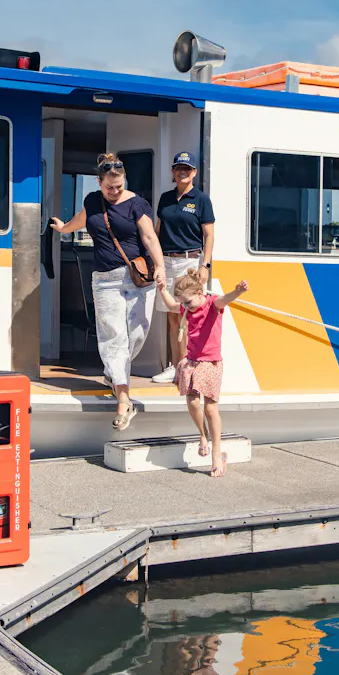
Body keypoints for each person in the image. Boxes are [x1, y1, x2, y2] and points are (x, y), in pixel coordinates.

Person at [49, 152, 167, 430]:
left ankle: (112, 373)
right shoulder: (93, 200)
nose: (114, 192)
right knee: (114, 337)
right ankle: (124, 401)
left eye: (119, 186)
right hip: (104, 280)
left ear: (125, 180)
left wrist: (160, 266)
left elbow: (149, 236)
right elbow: (83, 219)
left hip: (138, 278)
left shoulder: (137, 203)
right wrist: (64, 228)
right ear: (99, 182)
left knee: (137, 334)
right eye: (108, 187)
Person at [157, 271, 248, 477]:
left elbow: (225, 300)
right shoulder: (188, 308)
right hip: (192, 361)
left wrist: (237, 291)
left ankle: (216, 454)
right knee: (192, 402)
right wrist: (162, 289)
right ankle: (203, 435)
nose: (186, 308)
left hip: (211, 362)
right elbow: (172, 306)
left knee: (210, 409)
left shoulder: (212, 304)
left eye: (188, 303)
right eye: (184, 304)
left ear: (200, 293)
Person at [152, 151, 216, 384]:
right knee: (171, 316)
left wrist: (205, 265)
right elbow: (158, 231)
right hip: (166, 261)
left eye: (187, 169)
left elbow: (209, 235)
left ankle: (190, 365)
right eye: (179, 168)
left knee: (187, 316)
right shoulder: (165, 198)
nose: (183, 172)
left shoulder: (201, 199)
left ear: (194, 173)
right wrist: (154, 260)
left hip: (189, 261)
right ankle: (176, 368)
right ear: (173, 171)